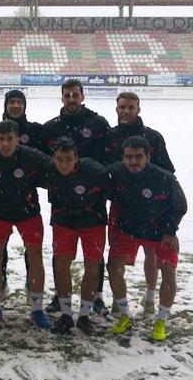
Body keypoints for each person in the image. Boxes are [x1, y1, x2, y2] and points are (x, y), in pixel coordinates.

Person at [107, 136, 186, 341]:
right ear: (122, 157)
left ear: (148, 156)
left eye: (138, 157)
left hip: (159, 230)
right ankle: (125, 315)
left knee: (168, 271)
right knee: (113, 267)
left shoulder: (164, 178)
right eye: (129, 157)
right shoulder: (115, 173)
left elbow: (180, 205)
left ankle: (161, 319)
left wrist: (170, 231)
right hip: (129, 229)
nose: (134, 162)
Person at [43, 79, 111, 315]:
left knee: (93, 256)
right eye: (67, 95)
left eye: (75, 95)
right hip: (62, 201)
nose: (71, 99)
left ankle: (97, 296)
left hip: (92, 197)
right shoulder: (51, 127)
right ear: (62, 98)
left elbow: (109, 156)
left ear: (82, 96)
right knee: (61, 257)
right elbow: (44, 163)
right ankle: (59, 298)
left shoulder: (98, 123)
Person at [105, 92, 176, 316]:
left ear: (138, 109)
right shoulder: (110, 136)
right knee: (117, 252)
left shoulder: (153, 137)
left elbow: (168, 172)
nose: (126, 111)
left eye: (131, 107)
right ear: (116, 109)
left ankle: (149, 295)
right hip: (121, 204)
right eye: (122, 107)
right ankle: (119, 301)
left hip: (150, 205)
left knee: (151, 251)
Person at [0, 120, 49, 330]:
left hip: (29, 214)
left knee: (35, 255)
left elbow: (55, 173)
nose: (5, 143)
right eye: (1, 139)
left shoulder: (32, 157)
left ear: (18, 139)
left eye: (10, 139)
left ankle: (37, 309)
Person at [39, 137, 110, 335]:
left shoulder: (96, 171)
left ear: (76, 158)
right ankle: (66, 315)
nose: (63, 164)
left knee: (92, 266)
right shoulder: (48, 169)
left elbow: (116, 190)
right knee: (61, 265)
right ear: (53, 158)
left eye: (68, 159)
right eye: (59, 159)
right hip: (63, 222)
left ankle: (85, 316)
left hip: (93, 223)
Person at [0, 89, 47, 301]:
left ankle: (33, 288)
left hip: (27, 203)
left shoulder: (36, 131)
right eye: (12, 102)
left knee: (33, 253)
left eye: (20, 102)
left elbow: (49, 162)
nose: (16, 106)